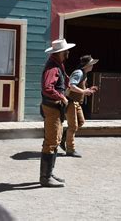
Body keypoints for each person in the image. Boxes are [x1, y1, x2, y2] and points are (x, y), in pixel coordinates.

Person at [39, 38, 75, 187]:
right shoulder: (53, 68)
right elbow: (47, 88)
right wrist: (61, 97)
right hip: (52, 108)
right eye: (66, 50)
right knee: (51, 142)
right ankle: (45, 177)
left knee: (55, 140)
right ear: (61, 52)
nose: (68, 52)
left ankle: (49, 174)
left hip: (55, 108)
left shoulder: (57, 65)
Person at [60, 55, 99, 157]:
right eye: (91, 64)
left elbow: (80, 87)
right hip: (71, 102)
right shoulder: (78, 73)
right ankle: (70, 150)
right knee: (73, 126)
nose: (93, 66)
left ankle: (64, 137)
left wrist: (88, 89)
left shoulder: (84, 74)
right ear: (87, 65)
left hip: (76, 102)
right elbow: (72, 86)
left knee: (81, 122)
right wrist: (84, 91)